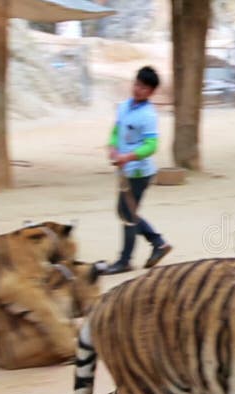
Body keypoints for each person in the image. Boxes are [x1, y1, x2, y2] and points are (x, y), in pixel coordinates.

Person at [104, 66, 172, 275]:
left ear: (151, 92)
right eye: (136, 84)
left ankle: (126, 259)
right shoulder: (123, 107)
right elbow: (117, 131)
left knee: (127, 215)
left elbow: (152, 145)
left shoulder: (148, 115)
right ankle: (157, 243)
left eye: (143, 87)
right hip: (125, 170)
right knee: (126, 212)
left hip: (139, 173)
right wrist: (113, 147)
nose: (137, 89)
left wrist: (128, 157)